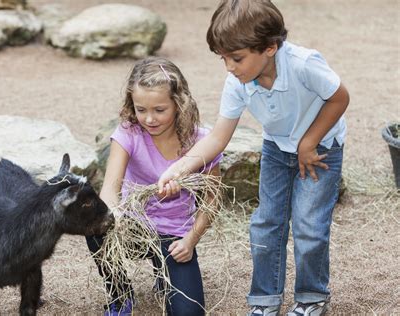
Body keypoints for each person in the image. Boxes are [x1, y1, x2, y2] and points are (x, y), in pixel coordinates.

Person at [157, 1, 350, 315]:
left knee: (308, 225)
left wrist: (309, 142)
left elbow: (340, 97)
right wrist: (179, 167)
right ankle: (265, 300)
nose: (229, 67)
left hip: (319, 150)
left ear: (270, 48)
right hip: (276, 149)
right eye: (224, 58)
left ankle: (312, 297)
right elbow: (218, 137)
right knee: (265, 223)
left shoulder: (303, 64)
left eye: (236, 58)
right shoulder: (237, 82)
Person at [86, 56, 222, 316]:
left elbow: (213, 199)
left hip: (175, 236)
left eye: (159, 110)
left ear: (179, 103)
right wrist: (116, 216)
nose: (149, 119)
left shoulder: (202, 141)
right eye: (140, 109)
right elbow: (109, 190)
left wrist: (191, 240)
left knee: (188, 313)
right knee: (94, 223)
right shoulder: (129, 132)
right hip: (133, 227)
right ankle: (120, 294)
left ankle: (166, 272)